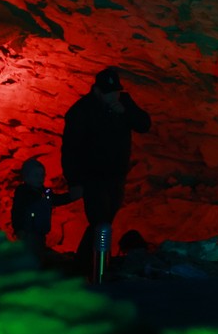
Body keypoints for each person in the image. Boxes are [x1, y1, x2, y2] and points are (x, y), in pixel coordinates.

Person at [61, 67, 152, 271]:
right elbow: (70, 149)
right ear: (97, 91)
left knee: (105, 221)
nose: (113, 96)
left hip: (116, 176)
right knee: (100, 222)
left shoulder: (123, 102)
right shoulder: (81, 112)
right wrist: (74, 181)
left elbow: (145, 124)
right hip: (94, 177)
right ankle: (92, 267)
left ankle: (88, 264)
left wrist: (126, 112)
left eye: (116, 92)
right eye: (109, 92)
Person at [10, 158, 82, 263]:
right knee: (31, 255)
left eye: (42, 175)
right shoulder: (23, 193)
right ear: (26, 177)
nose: (40, 178)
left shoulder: (45, 192)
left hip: (40, 232)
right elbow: (17, 211)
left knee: (38, 253)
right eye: (36, 176)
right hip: (28, 232)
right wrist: (19, 229)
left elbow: (57, 200)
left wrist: (71, 197)